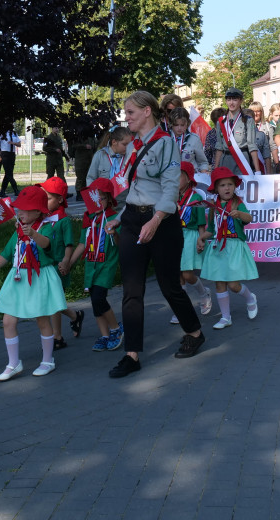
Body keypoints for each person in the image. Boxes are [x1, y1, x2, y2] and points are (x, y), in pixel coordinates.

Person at [108, 90, 205, 378]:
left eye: (131, 113)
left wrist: (156, 220)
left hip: (162, 221)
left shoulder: (166, 145)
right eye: (126, 113)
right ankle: (132, 355)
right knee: (131, 290)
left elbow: (168, 189)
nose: (127, 118)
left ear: (147, 112)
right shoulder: (134, 145)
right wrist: (119, 217)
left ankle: (195, 332)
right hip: (132, 221)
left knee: (169, 285)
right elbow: (135, 188)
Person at [0, 186, 68, 380]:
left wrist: (33, 234)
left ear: (38, 211)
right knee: (8, 321)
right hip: (18, 278)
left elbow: (48, 245)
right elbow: (6, 254)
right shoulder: (18, 231)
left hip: (39, 278)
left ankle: (47, 360)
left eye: (26, 209)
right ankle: (13, 363)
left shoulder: (46, 227)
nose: (20, 213)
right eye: (19, 209)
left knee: (42, 319)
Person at [198, 166, 259, 328]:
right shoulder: (214, 207)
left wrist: (239, 214)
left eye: (230, 185)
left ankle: (250, 298)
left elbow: (249, 218)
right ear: (216, 188)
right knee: (219, 283)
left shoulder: (238, 204)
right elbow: (211, 229)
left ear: (234, 186)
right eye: (223, 185)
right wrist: (201, 239)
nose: (227, 188)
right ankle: (226, 317)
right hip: (218, 248)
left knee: (233, 285)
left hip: (234, 247)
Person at [70, 178, 124, 351]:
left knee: (99, 298)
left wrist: (114, 232)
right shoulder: (89, 219)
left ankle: (116, 329)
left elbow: (120, 243)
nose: (97, 201)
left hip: (106, 265)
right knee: (95, 302)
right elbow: (82, 244)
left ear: (108, 198)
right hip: (91, 266)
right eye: (94, 197)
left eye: (101, 197)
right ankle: (104, 335)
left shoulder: (114, 218)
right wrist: (69, 263)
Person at [40, 176, 85, 350]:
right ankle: (75, 316)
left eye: (48, 198)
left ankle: (57, 337)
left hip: (58, 267)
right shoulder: (44, 218)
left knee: (53, 302)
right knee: (52, 301)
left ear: (60, 200)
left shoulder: (63, 220)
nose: (45, 201)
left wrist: (66, 261)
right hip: (45, 266)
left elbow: (69, 245)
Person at [172, 162, 212, 323]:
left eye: (179, 176)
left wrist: (201, 239)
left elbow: (202, 222)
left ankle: (204, 294)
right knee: (177, 276)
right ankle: (182, 309)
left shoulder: (196, 197)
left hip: (190, 236)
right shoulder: (172, 197)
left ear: (188, 179)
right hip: (175, 236)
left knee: (187, 274)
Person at [214, 88, 260, 175]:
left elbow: (252, 146)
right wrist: (215, 168)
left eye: (235, 99)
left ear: (240, 101)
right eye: (229, 99)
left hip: (242, 159)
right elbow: (219, 147)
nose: (231, 103)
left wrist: (257, 171)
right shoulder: (221, 121)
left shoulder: (248, 121)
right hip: (225, 161)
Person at [168, 106, 210, 173]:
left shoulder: (194, 139)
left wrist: (203, 174)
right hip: (171, 178)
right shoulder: (164, 139)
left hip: (190, 178)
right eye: (176, 125)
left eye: (182, 125)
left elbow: (202, 162)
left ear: (187, 124)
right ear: (171, 124)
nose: (179, 128)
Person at [70, 129, 98, 201]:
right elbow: (74, 145)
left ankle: (86, 193)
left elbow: (95, 146)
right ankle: (79, 194)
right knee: (80, 178)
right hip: (81, 161)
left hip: (89, 160)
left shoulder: (92, 138)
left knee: (88, 177)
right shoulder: (80, 136)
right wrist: (84, 146)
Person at [0, 125, 22, 197]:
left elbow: (19, 144)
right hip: (4, 153)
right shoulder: (3, 133)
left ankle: (2, 191)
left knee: (8, 174)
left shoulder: (14, 133)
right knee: (9, 173)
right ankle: (15, 189)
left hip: (12, 154)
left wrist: (13, 143)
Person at [249, 101, 274, 173]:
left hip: (265, 161)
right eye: (253, 111)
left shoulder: (268, 126)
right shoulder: (244, 127)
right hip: (250, 163)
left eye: (258, 111)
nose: (255, 114)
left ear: (261, 112)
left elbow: (272, 145)